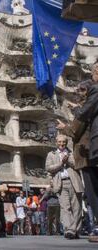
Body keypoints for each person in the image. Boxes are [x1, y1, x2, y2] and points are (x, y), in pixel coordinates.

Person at [59, 73, 98, 242]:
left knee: (93, 193)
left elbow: (75, 130)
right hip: (89, 153)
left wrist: (63, 127)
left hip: (86, 154)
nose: (78, 92)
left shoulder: (86, 109)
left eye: (82, 90)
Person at [45, 134, 84, 239]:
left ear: (66, 143)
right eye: (59, 142)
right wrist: (61, 163)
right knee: (65, 208)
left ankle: (75, 230)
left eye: (64, 142)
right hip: (61, 183)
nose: (62, 144)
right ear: (56, 142)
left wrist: (68, 161)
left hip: (74, 182)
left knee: (77, 208)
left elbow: (78, 164)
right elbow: (48, 168)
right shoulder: (51, 154)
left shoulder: (72, 153)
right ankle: (69, 230)